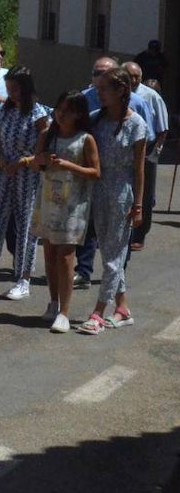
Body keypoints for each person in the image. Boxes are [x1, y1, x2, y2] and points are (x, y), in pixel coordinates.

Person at [77, 68, 147, 335]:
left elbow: (139, 169)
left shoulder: (137, 124)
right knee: (109, 254)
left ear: (120, 91)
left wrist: (138, 205)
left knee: (113, 257)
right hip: (97, 193)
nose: (99, 93)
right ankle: (123, 308)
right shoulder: (96, 120)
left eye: (104, 89)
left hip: (121, 197)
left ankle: (98, 312)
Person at [30, 92, 99, 334]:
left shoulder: (85, 139)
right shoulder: (48, 135)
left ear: (79, 113)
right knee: (49, 253)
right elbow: (34, 163)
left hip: (73, 203)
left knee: (66, 255)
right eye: (59, 108)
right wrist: (41, 159)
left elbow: (95, 172)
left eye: (67, 110)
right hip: (48, 200)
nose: (61, 114)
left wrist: (68, 165)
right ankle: (53, 302)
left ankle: (65, 312)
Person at [0, 66, 50, 301]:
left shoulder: (38, 114)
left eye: (15, 89)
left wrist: (22, 162)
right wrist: (2, 159)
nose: (11, 94)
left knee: (26, 225)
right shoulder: (6, 111)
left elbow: (41, 152)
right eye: (8, 89)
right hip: (5, 171)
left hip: (28, 174)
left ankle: (23, 277)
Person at [123, 61, 168, 252]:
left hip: (146, 149)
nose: (133, 80)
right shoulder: (117, 93)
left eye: (136, 76)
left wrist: (156, 150)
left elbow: (162, 127)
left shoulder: (150, 96)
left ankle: (140, 234)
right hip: (124, 150)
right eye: (129, 76)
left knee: (145, 194)